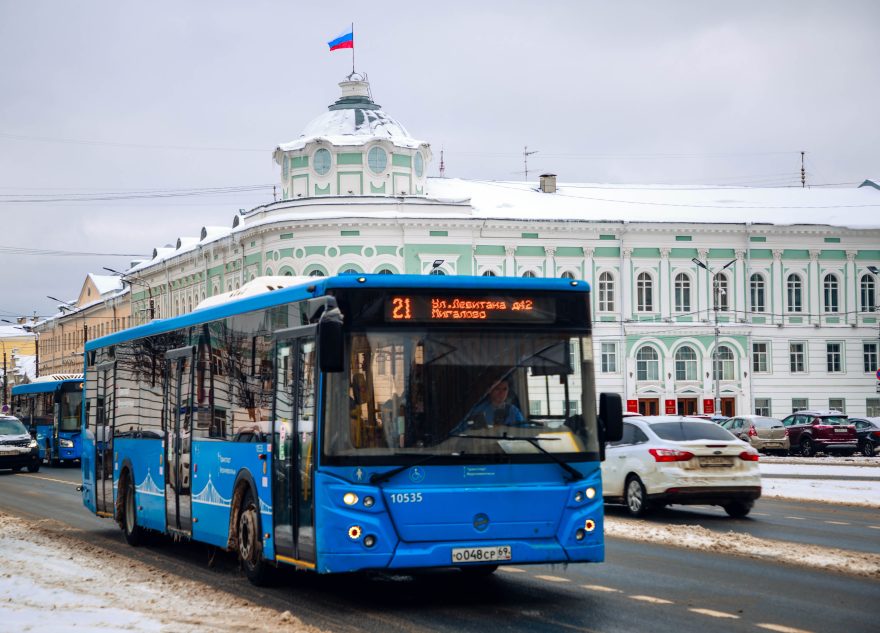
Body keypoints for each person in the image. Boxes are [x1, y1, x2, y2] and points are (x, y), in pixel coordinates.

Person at [458, 378, 525, 431]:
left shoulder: (514, 411)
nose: (501, 393)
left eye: (505, 389)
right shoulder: (478, 410)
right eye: (497, 389)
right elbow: (463, 429)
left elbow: (524, 430)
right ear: (489, 390)